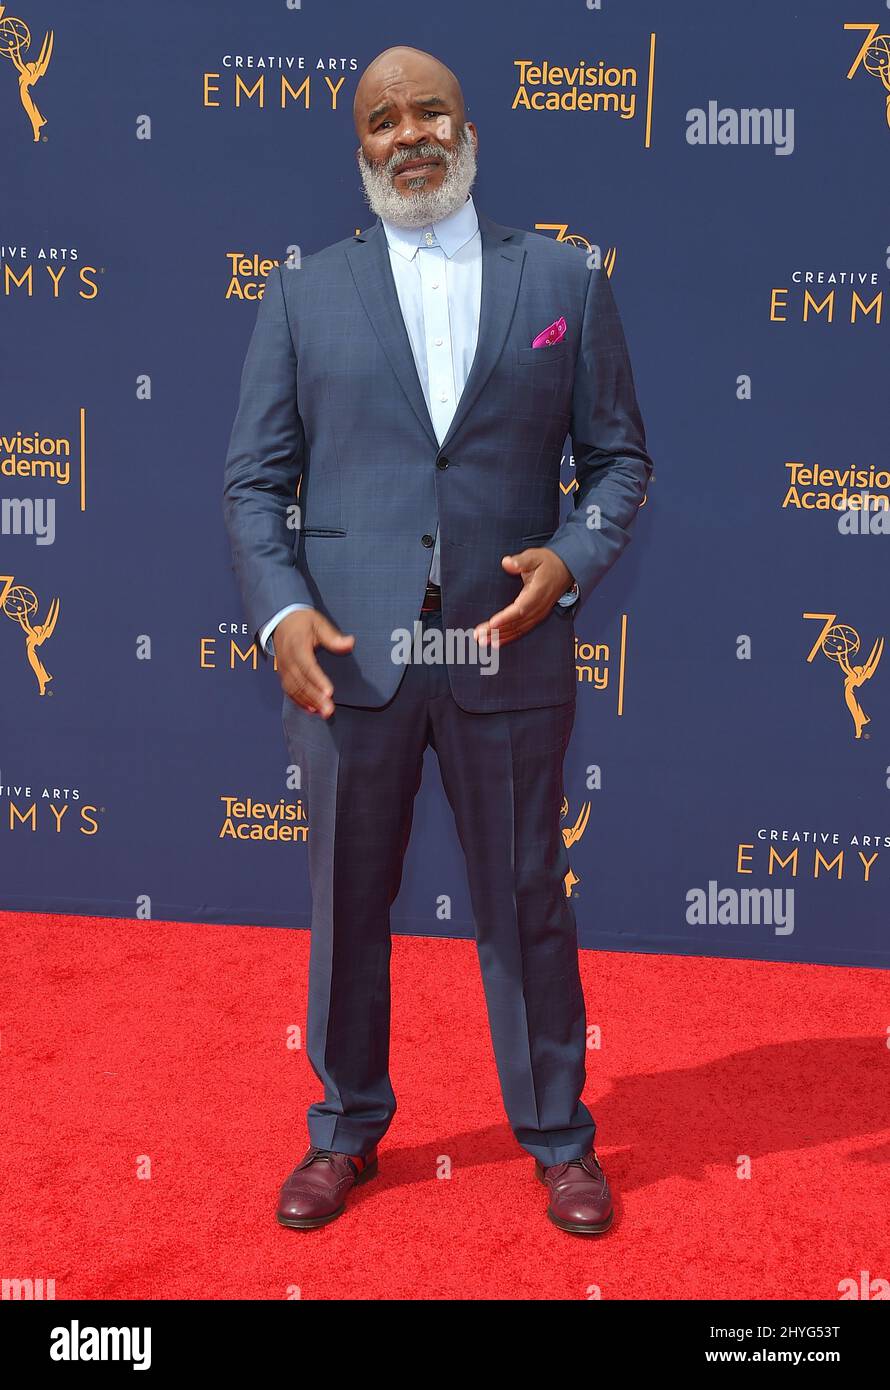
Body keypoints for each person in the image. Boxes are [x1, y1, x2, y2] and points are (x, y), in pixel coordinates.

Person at [223, 45, 653, 1236]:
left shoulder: (564, 280)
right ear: (359, 147)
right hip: (356, 658)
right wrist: (281, 606)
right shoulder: (301, 295)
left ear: (467, 130)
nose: (406, 136)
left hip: (505, 652)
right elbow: (255, 486)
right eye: (380, 121)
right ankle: (343, 1131)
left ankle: (559, 1138)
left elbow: (619, 461)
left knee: (524, 897)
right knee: (345, 901)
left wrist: (568, 558)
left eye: (427, 114)